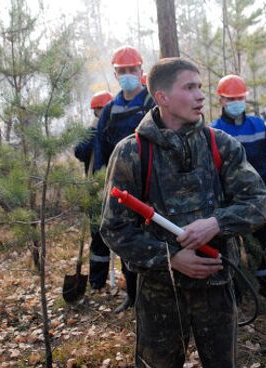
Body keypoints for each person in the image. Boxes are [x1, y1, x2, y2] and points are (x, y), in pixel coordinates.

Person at [100, 58, 266, 368]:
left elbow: (258, 202)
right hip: (159, 295)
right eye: (189, 88)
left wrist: (217, 223)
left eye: (200, 87)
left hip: (216, 289)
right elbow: (114, 229)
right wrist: (171, 257)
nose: (200, 96)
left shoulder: (221, 145)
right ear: (162, 97)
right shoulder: (132, 152)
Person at [210, 74, 266, 301]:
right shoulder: (214, 130)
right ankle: (235, 289)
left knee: (263, 244)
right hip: (228, 200)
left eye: (239, 97)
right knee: (230, 246)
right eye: (230, 98)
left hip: (258, 199)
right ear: (221, 100)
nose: (235, 102)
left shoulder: (258, 125)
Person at [93, 46, 155, 311]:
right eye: (123, 71)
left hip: (151, 181)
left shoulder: (152, 102)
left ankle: (153, 293)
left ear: (141, 71)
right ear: (115, 74)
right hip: (120, 187)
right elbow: (99, 147)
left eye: (133, 69)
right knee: (126, 239)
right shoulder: (109, 109)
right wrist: (100, 182)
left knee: (152, 237)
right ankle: (132, 294)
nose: (128, 74)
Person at [74, 91, 113, 292]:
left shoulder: (116, 128)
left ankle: (130, 283)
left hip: (117, 190)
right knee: (98, 238)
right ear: (95, 111)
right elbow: (79, 152)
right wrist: (92, 133)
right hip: (95, 191)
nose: (102, 111)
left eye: (105, 107)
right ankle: (97, 282)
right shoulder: (90, 131)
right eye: (99, 109)